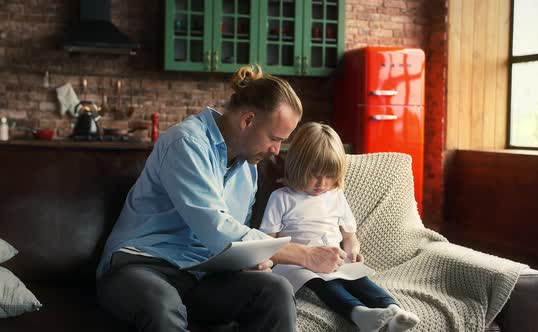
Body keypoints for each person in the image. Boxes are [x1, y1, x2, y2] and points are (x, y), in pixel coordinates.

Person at [96, 65, 348, 332]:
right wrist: (305, 255)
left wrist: (252, 260)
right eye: (274, 138)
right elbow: (217, 229)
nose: (276, 151)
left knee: (274, 289)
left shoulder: (249, 170)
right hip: (141, 266)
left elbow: (235, 242)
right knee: (162, 304)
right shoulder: (186, 143)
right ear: (248, 120)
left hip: (201, 276)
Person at [260, 122, 421, 332]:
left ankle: (394, 311)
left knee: (360, 280)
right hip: (297, 265)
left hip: (336, 260)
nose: (323, 183)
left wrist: (352, 249)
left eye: (330, 175)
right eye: (315, 174)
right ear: (297, 165)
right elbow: (268, 241)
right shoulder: (281, 198)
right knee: (328, 284)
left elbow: (350, 235)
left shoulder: (335, 196)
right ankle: (360, 314)